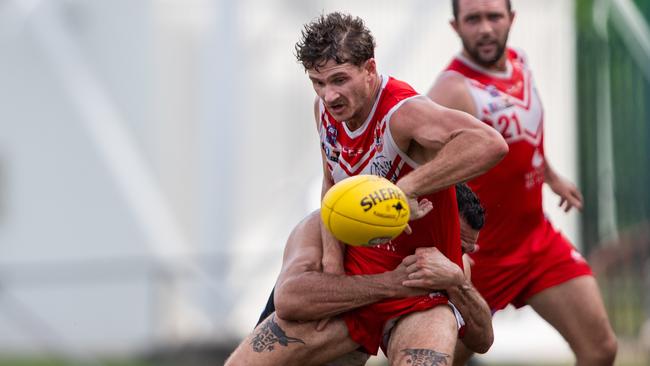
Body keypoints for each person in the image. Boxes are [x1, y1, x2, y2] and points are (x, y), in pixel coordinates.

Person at [228, 12, 508, 365]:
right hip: (357, 287)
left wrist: (407, 187)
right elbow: (332, 183)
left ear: (370, 69)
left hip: (419, 292)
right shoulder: (325, 111)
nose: (329, 95)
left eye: (339, 80)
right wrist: (332, 269)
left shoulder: (404, 112)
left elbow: (489, 143)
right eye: (318, 82)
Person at [427, 1, 618, 365]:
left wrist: (551, 175)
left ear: (511, 19)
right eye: (473, 19)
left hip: (536, 242)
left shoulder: (520, 62)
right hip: (481, 259)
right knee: (432, 361)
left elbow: (524, 134)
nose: (485, 28)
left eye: (494, 16)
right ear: (456, 26)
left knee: (601, 349)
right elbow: (417, 164)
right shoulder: (452, 90)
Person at [227, 184, 492, 365]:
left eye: (463, 249)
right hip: (313, 340)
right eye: (457, 244)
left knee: (439, 325)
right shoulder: (334, 227)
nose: (457, 253)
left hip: (374, 339)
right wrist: (390, 284)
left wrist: (457, 284)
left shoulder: (450, 266)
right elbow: (290, 299)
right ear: (424, 218)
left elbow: (482, 340)